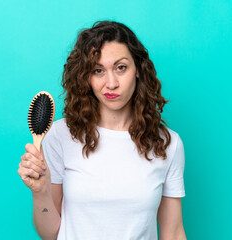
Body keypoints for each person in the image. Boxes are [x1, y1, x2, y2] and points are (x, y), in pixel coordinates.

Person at [18, 20, 186, 240]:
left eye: (121, 67)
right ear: (86, 77)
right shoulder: (61, 135)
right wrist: (40, 193)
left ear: (138, 69)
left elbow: (172, 233)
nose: (111, 83)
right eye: (98, 70)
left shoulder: (168, 144)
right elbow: (51, 234)